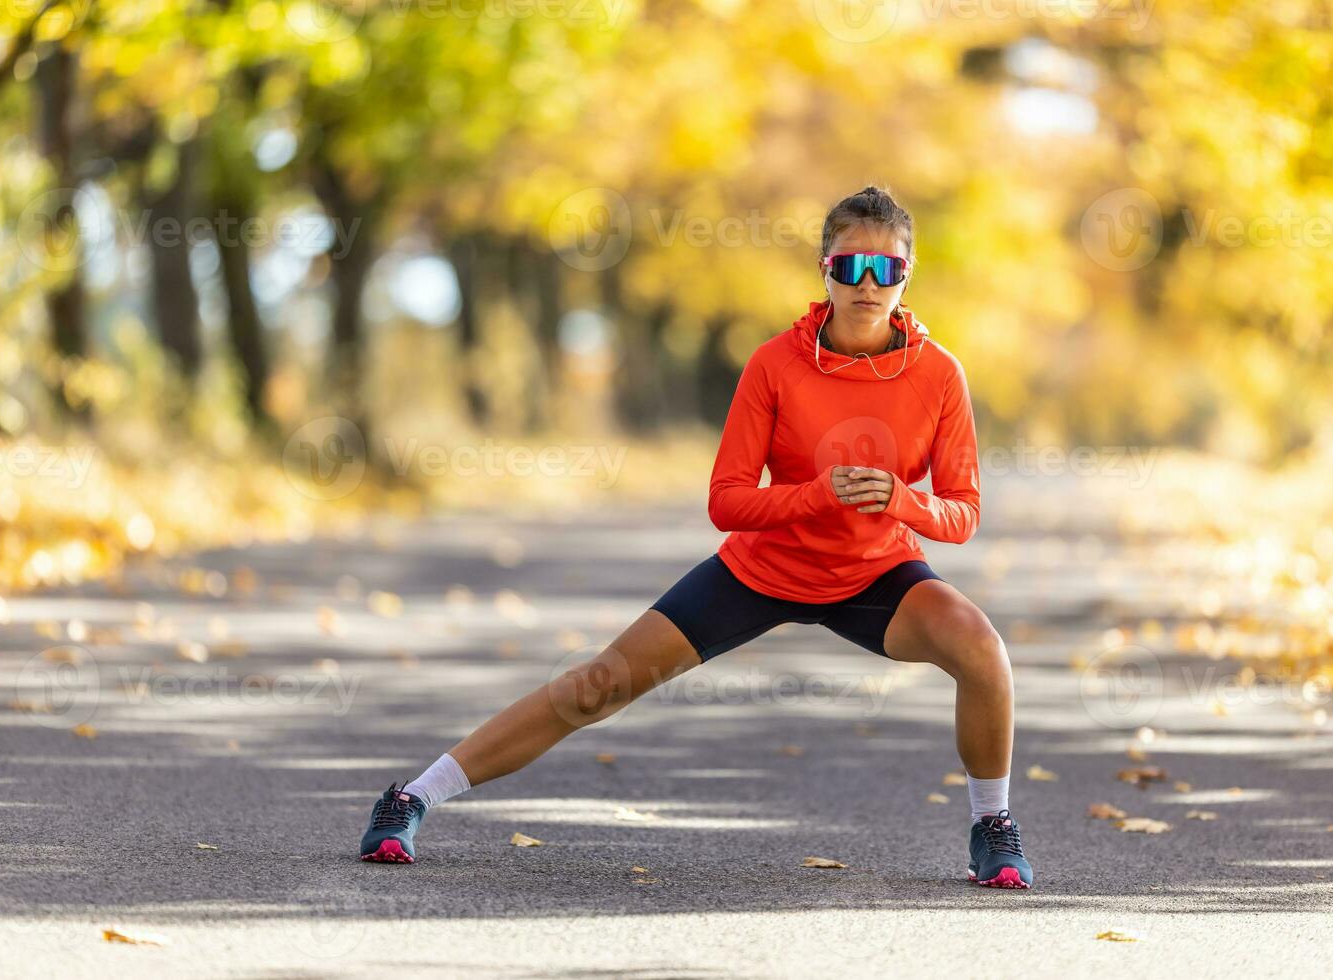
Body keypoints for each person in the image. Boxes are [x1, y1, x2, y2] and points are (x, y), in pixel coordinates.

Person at [359, 185, 1032, 889]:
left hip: (873, 575)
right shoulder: (775, 365)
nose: (868, 284)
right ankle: (411, 798)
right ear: (824, 269)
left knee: (981, 647)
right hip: (760, 570)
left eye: (886, 269)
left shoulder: (939, 375)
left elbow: (962, 512)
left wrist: (901, 501)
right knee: (596, 687)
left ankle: (992, 825)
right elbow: (727, 501)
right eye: (850, 266)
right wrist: (811, 496)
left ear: (907, 274)